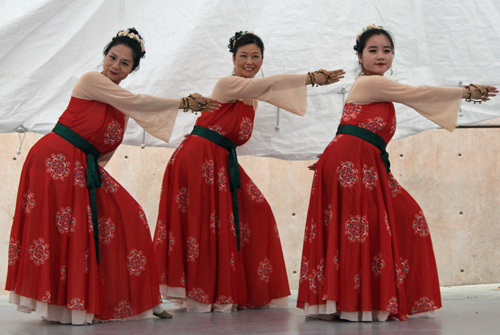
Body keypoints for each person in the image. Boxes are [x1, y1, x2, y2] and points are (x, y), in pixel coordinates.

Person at [6, 27, 219, 324]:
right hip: (52, 161)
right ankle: (60, 305)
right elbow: (141, 102)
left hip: (83, 170)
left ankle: (146, 298)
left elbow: (103, 155)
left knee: (131, 215)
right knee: (57, 233)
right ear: (104, 57)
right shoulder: (92, 81)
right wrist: (183, 103)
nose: (114, 66)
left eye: (124, 63)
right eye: (112, 57)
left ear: (132, 70)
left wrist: (90, 194)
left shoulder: (122, 108)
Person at [297, 24, 497, 321]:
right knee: (363, 228)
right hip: (352, 163)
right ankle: (353, 304)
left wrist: (331, 156)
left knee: (401, 217)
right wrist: (465, 92)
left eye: (387, 50)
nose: (381, 56)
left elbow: (354, 127)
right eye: (373, 50)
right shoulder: (370, 84)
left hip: (359, 161)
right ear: (360, 56)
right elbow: (418, 93)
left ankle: (362, 301)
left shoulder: (376, 85)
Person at [153, 31, 345, 312]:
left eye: (256, 56)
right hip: (197, 158)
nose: (249, 61)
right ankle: (203, 293)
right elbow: (272, 84)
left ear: (262, 59)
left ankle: (234, 287)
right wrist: (310, 78)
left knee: (256, 210)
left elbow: (273, 89)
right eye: (243, 55)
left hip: (220, 161)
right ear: (233, 59)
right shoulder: (228, 84)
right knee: (202, 225)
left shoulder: (253, 95)